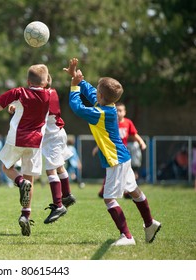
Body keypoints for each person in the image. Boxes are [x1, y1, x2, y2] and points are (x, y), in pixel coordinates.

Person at [64, 58, 161, 246]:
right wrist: (79, 79)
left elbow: (77, 107)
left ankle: (127, 237)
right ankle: (150, 224)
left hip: (115, 160)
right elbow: (93, 93)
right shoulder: (107, 106)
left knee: (109, 199)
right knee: (133, 191)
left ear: (101, 96)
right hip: (122, 158)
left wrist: (74, 87)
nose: (95, 91)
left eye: (97, 89)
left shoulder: (100, 113)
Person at [0, 64, 51, 236]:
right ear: (46, 82)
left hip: (16, 138)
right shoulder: (49, 95)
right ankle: (25, 214)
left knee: (6, 168)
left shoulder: (19, 92)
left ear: (28, 81)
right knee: (30, 176)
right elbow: (40, 94)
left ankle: (19, 182)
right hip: (36, 141)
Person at [8, 74, 76, 224]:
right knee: (59, 167)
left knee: (51, 170)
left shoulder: (45, 95)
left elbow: (32, 107)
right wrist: (17, 105)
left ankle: (58, 205)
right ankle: (67, 195)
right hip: (57, 134)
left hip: (52, 137)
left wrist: (17, 106)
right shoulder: (51, 93)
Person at [97, 102, 147, 198]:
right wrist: (97, 147)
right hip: (112, 151)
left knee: (127, 172)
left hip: (124, 152)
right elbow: (104, 138)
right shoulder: (111, 122)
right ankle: (104, 191)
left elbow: (134, 134)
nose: (118, 113)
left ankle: (127, 191)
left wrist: (141, 142)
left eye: (120, 110)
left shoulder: (128, 122)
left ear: (124, 112)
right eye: (117, 110)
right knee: (111, 171)